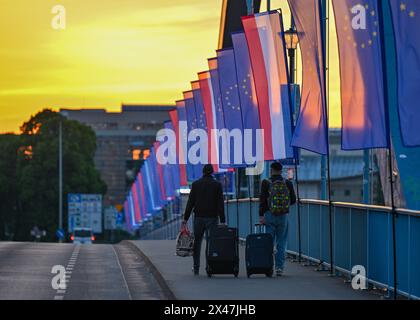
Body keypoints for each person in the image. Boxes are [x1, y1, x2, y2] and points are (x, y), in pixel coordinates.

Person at [182, 164, 226, 275]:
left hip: (199, 218)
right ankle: (209, 267)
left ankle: (196, 267)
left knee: (197, 243)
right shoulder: (217, 185)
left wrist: (185, 218)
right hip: (212, 218)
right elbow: (220, 203)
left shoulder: (196, 184)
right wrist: (223, 220)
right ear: (212, 172)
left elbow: (190, 203)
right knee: (211, 242)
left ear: (203, 172)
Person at [259, 162, 296, 276]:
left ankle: (269, 266)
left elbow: (263, 200)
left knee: (269, 241)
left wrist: (261, 215)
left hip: (269, 215)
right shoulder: (287, 182)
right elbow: (293, 200)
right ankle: (279, 268)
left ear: (271, 170)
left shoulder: (266, 182)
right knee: (281, 242)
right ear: (281, 170)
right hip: (283, 216)